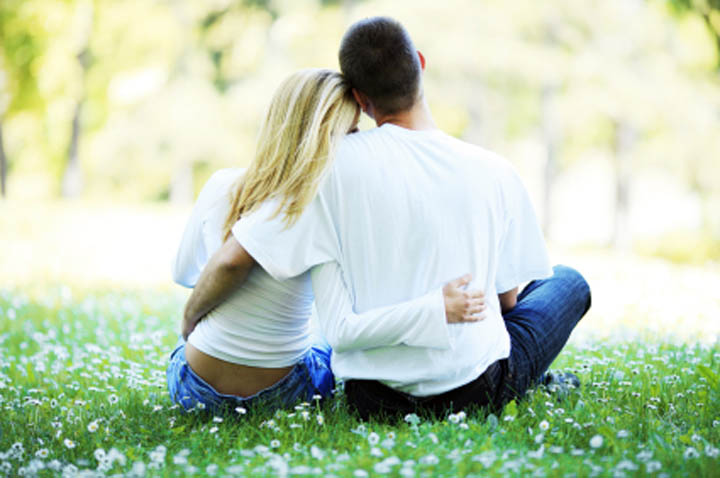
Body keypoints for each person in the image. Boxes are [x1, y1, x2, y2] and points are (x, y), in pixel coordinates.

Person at [184, 17, 591, 420]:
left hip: (372, 396)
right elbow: (506, 304)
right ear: (420, 62)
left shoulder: (324, 171)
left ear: (360, 100)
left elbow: (236, 255)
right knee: (567, 281)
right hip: (475, 387)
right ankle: (535, 377)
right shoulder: (495, 170)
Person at [169, 68, 487, 414]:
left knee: (186, 351)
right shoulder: (319, 207)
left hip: (194, 387)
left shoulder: (221, 186)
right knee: (325, 346)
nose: (353, 145)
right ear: (318, 137)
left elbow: (185, 272)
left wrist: (191, 317)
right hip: (282, 393)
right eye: (348, 134)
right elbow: (235, 263)